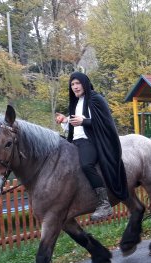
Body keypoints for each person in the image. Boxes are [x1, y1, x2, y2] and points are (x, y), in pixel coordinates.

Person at [55, 72, 129, 221]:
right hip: (76, 140)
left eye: (78, 83)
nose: (75, 87)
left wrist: (84, 121)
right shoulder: (76, 102)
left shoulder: (96, 99)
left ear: (85, 83)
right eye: (72, 84)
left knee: (87, 165)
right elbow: (76, 124)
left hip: (92, 141)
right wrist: (65, 120)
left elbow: (106, 123)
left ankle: (104, 203)